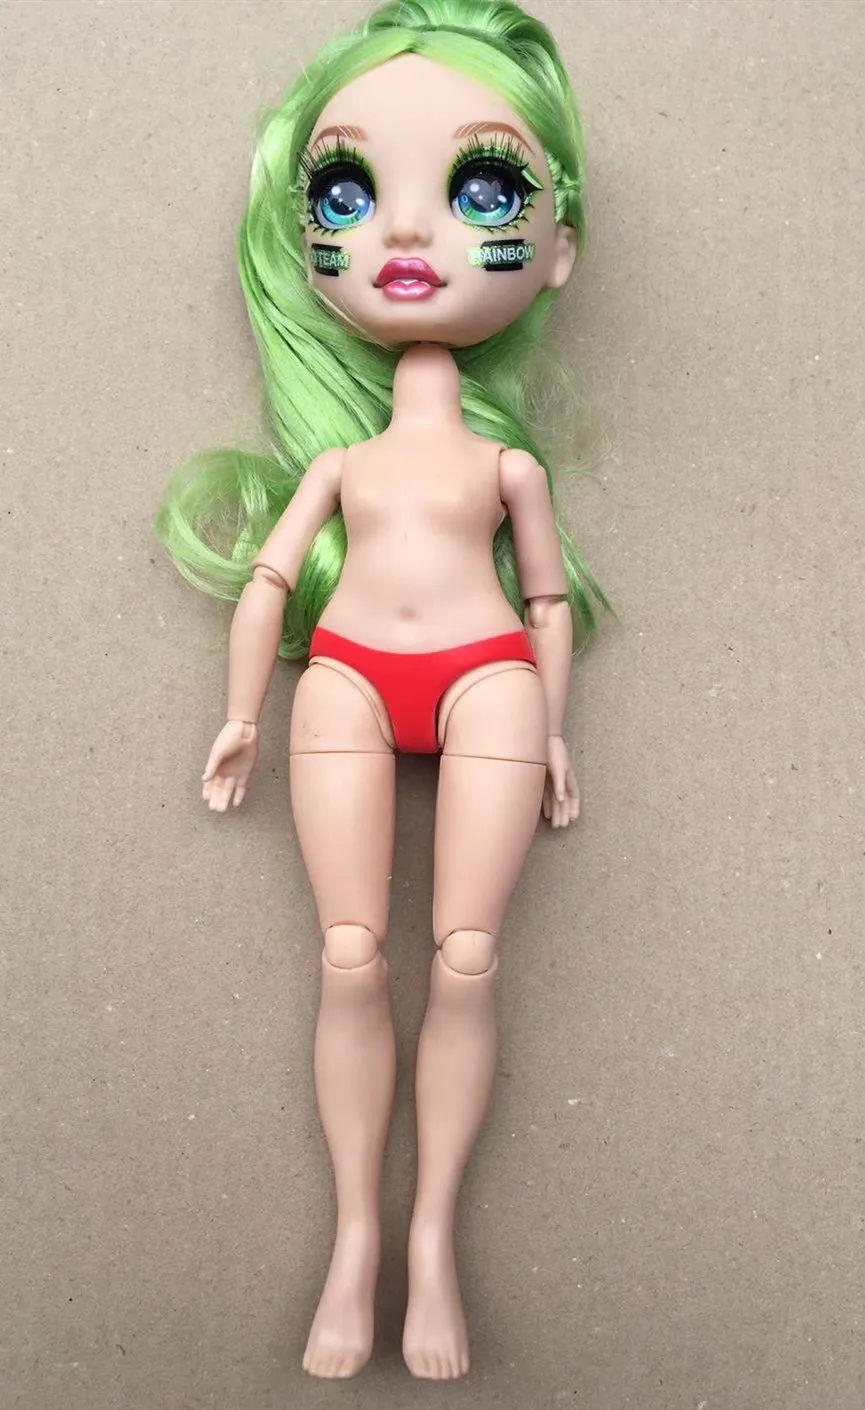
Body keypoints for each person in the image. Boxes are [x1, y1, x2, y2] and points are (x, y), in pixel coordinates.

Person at [156, 0, 607, 1381]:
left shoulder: (509, 469)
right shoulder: (337, 465)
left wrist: (556, 728)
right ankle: (357, 1238)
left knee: (466, 959)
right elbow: (270, 581)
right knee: (349, 955)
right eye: (348, 192)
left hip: (488, 682)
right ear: (303, 237)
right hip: (348, 676)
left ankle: (432, 1243)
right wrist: (242, 710)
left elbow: (544, 602)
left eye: (483, 191)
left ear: (559, 249)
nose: (406, 230)